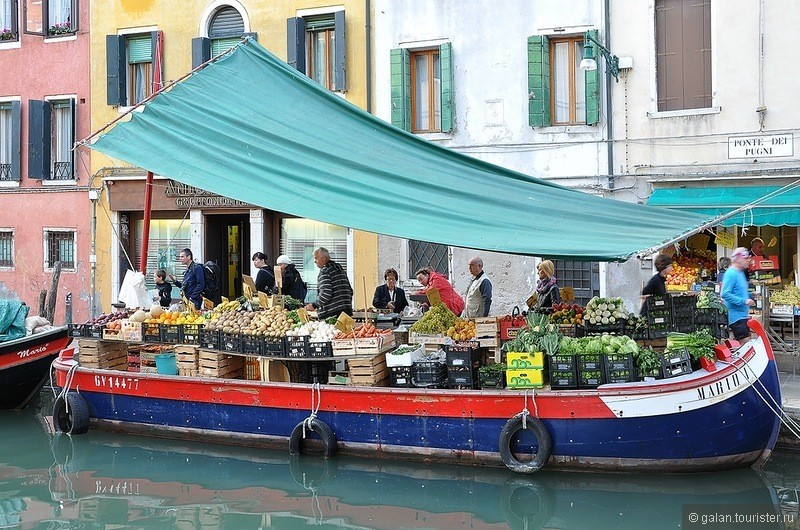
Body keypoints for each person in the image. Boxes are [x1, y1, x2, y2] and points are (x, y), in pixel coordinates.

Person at [305, 247, 353, 319]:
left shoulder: (325, 271)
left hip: (332, 314)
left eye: (316, 258)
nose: (314, 261)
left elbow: (326, 294)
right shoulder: (339, 269)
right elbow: (350, 291)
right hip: (346, 311)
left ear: (324, 258)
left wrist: (314, 305)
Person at [720, 247, 755, 342]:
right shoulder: (731, 273)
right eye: (746, 258)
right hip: (736, 317)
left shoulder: (740, 272)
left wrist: (750, 295)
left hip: (742, 316)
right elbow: (724, 293)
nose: (748, 260)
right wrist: (744, 301)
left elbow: (739, 290)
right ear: (738, 259)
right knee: (746, 345)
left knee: (745, 346)